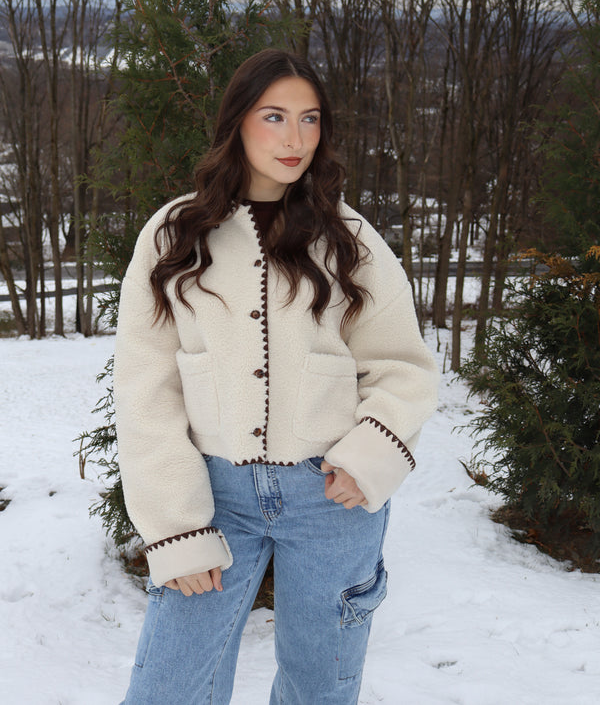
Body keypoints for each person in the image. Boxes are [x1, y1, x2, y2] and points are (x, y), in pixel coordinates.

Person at [114, 48, 438, 705]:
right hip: (213, 496)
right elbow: (146, 388)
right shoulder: (175, 236)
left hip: (330, 499)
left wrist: (369, 456)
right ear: (237, 120)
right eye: (274, 116)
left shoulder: (350, 239)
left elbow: (401, 365)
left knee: (319, 688)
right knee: (168, 687)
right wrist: (175, 523)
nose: (295, 139)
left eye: (309, 119)